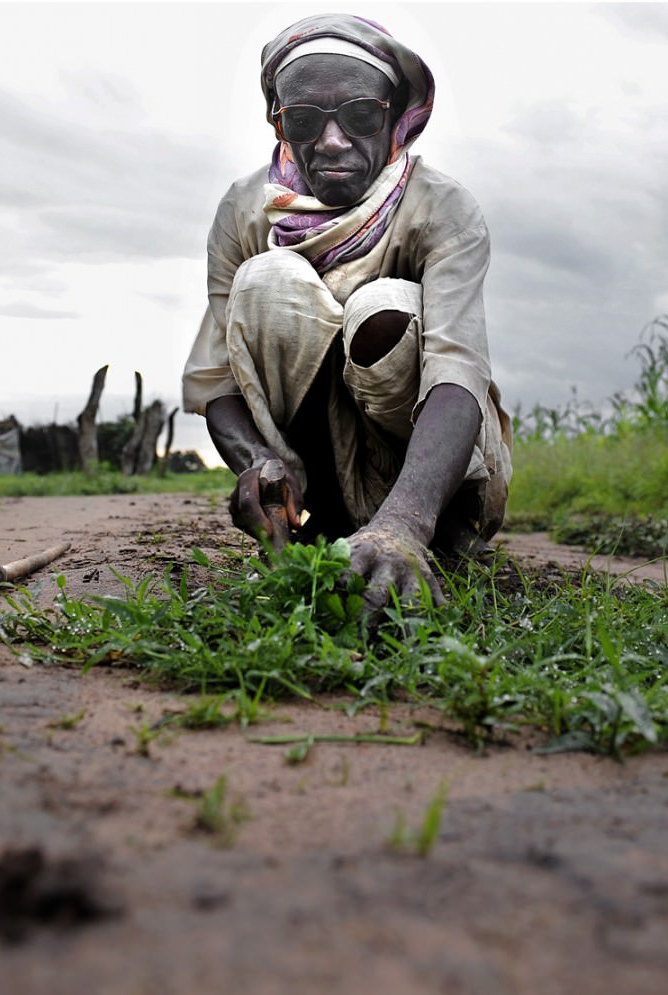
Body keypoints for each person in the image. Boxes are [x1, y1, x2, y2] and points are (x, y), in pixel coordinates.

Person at [182, 12, 512, 611]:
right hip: (317, 480)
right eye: (305, 121)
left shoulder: (443, 210)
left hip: (429, 487)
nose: (332, 142)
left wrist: (406, 521)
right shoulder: (245, 211)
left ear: (394, 113)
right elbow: (217, 378)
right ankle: (321, 524)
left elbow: (457, 373)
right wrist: (258, 463)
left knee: (382, 305)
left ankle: (426, 529)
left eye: (360, 116)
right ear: (279, 122)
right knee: (268, 281)